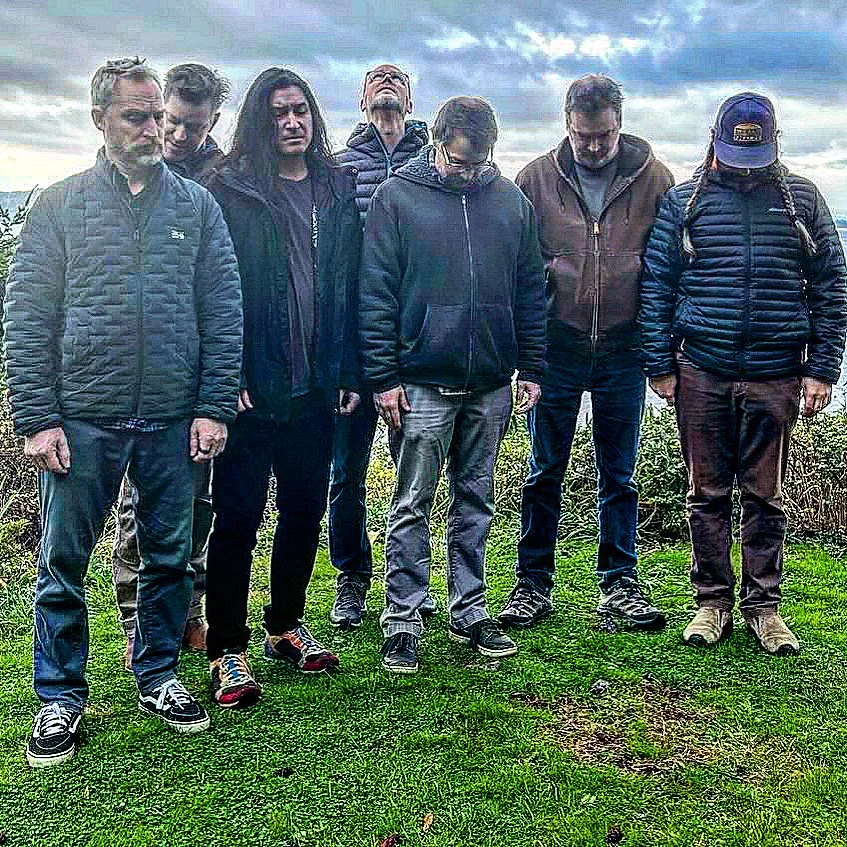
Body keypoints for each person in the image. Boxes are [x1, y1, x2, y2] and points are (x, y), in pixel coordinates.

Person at [5, 57, 243, 766]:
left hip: (174, 418)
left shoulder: (196, 208)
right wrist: (36, 417)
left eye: (156, 115)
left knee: (169, 558)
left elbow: (222, 312)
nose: (152, 128)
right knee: (62, 560)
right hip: (80, 417)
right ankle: (59, 694)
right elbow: (26, 317)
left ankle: (159, 674)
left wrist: (211, 406)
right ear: (99, 119)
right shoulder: (58, 204)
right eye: (136, 115)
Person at [639, 92, 847, 655]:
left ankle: (764, 608)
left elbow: (831, 288)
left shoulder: (803, 199)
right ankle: (711, 604)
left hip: (778, 372)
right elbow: (656, 284)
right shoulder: (685, 203)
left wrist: (822, 369)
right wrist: (659, 363)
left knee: (765, 496)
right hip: (701, 368)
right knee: (706, 493)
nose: (742, 164)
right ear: (715, 142)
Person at [360, 96, 547, 674]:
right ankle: (402, 620)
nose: (469, 172)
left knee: (477, 501)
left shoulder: (511, 202)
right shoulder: (396, 198)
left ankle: (469, 610)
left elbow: (530, 290)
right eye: (459, 161)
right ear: (436, 142)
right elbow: (375, 293)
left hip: (491, 381)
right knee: (411, 503)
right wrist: (383, 379)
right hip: (420, 383)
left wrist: (533, 367)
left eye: (479, 162)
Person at [203, 67, 362, 708]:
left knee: (304, 512)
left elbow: (350, 286)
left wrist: (349, 370)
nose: (291, 122)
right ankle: (227, 649)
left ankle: (285, 626)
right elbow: (211, 290)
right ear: (258, 123)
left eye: (300, 110)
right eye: (277, 114)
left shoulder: (335, 186)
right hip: (253, 386)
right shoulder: (230, 189)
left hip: (317, 387)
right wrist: (228, 373)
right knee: (238, 518)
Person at [500, 74, 674, 632]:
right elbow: (520, 271)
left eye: (604, 136)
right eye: (583, 137)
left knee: (619, 471)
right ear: (566, 126)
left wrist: (659, 352)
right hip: (557, 347)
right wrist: (524, 355)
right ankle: (531, 587)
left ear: (619, 124)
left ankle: (620, 585)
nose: (594, 147)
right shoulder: (534, 179)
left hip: (625, 347)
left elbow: (668, 270)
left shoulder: (656, 179)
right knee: (543, 468)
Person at [111, 62, 230, 667]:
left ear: (214, 120)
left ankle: (190, 611)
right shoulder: (130, 174)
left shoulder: (228, 181)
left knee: (199, 502)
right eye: (169, 122)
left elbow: (228, 290)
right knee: (141, 505)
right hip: (137, 380)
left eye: (191, 125)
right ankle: (139, 614)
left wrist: (225, 379)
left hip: (202, 368)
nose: (176, 136)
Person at [330, 63, 429, 630]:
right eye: (376, 80)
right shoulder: (341, 167)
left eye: (397, 80)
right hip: (349, 345)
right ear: (362, 98)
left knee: (412, 469)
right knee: (346, 471)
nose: (387, 85)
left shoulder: (432, 164)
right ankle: (351, 578)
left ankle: (408, 579)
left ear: (411, 98)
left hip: (409, 343)